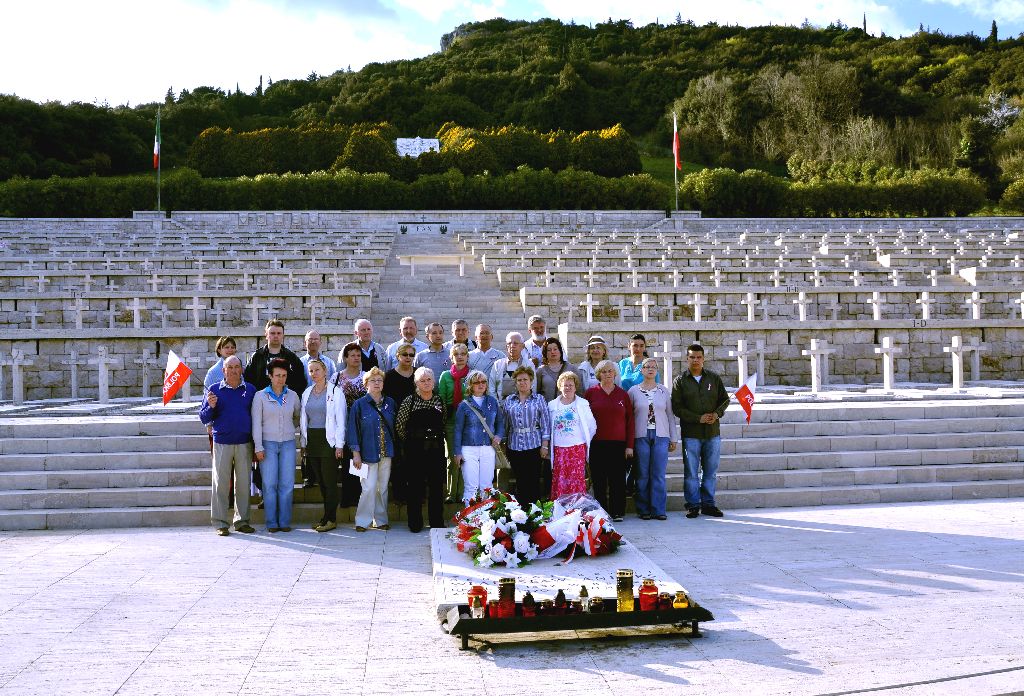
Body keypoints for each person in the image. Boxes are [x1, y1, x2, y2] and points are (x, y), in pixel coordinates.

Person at [198, 355, 257, 536]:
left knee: (243, 484)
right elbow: (204, 417)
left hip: (244, 442)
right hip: (222, 442)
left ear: (242, 369)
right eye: (229, 367)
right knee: (221, 484)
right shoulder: (214, 390)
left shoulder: (250, 390)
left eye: (236, 366)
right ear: (223, 370)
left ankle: (242, 521)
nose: (233, 370)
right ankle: (220, 522)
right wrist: (210, 406)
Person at [671, 344, 729, 519]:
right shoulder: (680, 381)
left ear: (703, 359)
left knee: (710, 472)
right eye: (692, 357)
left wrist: (717, 414)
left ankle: (709, 504)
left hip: (712, 433)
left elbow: (725, 400)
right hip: (691, 434)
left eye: (698, 357)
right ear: (687, 359)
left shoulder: (714, 378)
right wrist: (698, 418)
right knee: (691, 472)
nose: (695, 360)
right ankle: (693, 505)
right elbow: (677, 408)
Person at [251, 358, 301, 533]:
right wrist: (258, 446)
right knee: (269, 483)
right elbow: (256, 423)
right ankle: (271, 522)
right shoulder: (260, 396)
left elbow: (297, 417)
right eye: (277, 375)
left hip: (288, 444)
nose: (281, 379)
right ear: (270, 376)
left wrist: (288, 429)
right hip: (267, 444)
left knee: (287, 484)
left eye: (284, 375)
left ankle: (284, 521)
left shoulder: (293, 396)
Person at [396, 367, 447, 533]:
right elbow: (400, 425)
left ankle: (437, 522)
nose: (426, 383)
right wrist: (412, 441)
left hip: (435, 449)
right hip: (415, 450)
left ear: (434, 381)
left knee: (436, 487)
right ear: (416, 383)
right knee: (415, 487)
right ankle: (415, 523)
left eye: (429, 380)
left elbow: (444, 422)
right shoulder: (409, 401)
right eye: (422, 380)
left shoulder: (439, 400)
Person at [346, 367, 397, 532]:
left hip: (386, 452)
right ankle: (362, 521)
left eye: (379, 380)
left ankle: (381, 520)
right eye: (373, 380)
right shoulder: (359, 405)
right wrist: (356, 453)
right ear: (366, 384)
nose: (377, 383)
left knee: (382, 488)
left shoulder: (390, 403)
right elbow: (353, 430)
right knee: (368, 488)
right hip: (367, 453)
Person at [629, 358, 679, 521]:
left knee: (658, 473)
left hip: (661, 435)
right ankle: (643, 509)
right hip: (640, 436)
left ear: (657, 371)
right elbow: (629, 418)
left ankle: (658, 509)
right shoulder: (633, 391)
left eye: (653, 367)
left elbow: (669, 415)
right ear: (641, 370)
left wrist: (673, 437)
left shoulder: (663, 391)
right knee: (642, 474)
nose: (650, 369)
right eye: (647, 367)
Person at [300, 357, 346, 532]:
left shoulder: (336, 392)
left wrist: (339, 445)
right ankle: (326, 517)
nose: (314, 374)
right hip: (313, 440)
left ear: (325, 371)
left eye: (317, 370)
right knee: (320, 481)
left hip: (329, 441)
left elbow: (341, 420)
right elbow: (304, 419)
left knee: (329, 481)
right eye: (311, 371)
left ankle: (331, 519)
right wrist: (303, 442)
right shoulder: (307, 392)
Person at [585, 360, 634, 522]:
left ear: (615, 374)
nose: (607, 374)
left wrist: (629, 446)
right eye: (604, 371)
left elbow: (630, 421)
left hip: (618, 444)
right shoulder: (591, 393)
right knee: (599, 480)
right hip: (597, 443)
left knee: (617, 480)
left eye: (610, 371)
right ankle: (602, 513)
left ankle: (617, 511)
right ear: (599, 374)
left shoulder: (622, 394)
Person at [453, 370, 505, 504]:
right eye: (476, 382)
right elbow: (458, 430)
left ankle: (485, 515)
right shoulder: (463, 405)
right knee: (471, 486)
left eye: (483, 382)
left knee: (487, 486)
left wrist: (499, 436)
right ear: (470, 385)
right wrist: (457, 452)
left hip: (488, 448)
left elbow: (500, 422)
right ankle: (470, 516)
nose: (481, 385)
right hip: (468, 449)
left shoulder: (492, 402)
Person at [501, 366, 550, 508]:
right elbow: (505, 424)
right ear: (515, 383)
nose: (522, 382)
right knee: (520, 480)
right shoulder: (509, 400)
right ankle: (521, 512)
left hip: (534, 445)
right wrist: (504, 444)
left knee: (533, 480)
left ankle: (535, 511)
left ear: (531, 381)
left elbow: (545, 423)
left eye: (525, 380)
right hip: (514, 446)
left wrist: (545, 445)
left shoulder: (539, 399)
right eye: (519, 380)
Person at [547, 371, 596, 500]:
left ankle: (577, 507)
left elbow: (592, 426)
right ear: (560, 387)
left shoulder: (583, 404)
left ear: (575, 387)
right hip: (559, 449)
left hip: (577, 449)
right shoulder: (552, 405)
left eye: (570, 385)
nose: (568, 388)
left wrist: (583, 440)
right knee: (560, 479)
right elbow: (548, 427)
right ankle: (560, 507)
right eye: (565, 385)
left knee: (576, 479)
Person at [299, 329, 336, 488]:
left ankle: (326, 474)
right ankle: (308, 475)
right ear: (305, 343)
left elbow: (333, 383)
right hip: (308, 405)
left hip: (325, 405)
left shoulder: (329, 363)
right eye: (310, 339)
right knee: (306, 440)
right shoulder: (300, 363)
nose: (313, 342)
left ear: (320, 342)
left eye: (316, 339)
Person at [334, 341, 366, 508]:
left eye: (358, 355)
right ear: (345, 358)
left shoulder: (366, 376)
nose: (356, 358)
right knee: (347, 460)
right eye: (352, 355)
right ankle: (347, 497)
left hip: (362, 424)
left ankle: (359, 496)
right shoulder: (336, 377)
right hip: (343, 424)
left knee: (360, 460)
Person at [383, 344, 417, 504]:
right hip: (395, 423)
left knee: (415, 460)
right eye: (405, 354)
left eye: (411, 355)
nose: (408, 358)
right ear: (397, 356)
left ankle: (416, 494)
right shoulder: (389, 376)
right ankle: (399, 494)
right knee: (398, 460)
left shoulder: (418, 374)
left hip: (416, 424)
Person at [438, 343, 472, 503]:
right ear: (451, 357)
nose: (460, 357)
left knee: (467, 457)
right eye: (456, 354)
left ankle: (463, 492)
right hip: (451, 420)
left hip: (469, 422)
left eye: (463, 354)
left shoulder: (472, 375)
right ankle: (451, 493)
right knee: (453, 457)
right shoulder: (445, 376)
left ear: (467, 357)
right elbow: (442, 400)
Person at [244, 319, 306, 394]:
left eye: (279, 333)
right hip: (261, 398)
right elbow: (248, 380)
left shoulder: (291, 357)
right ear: (266, 335)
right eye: (272, 333)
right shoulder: (257, 356)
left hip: (284, 398)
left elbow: (300, 380)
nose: (276, 336)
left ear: (283, 335)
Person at [488, 331, 534, 401]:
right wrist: (497, 404)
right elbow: (491, 388)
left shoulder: (529, 365)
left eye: (515, 343)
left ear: (522, 346)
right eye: (509, 343)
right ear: (506, 346)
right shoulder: (498, 364)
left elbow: (533, 387)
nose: (512, 346)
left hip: (523, 405)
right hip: (501, 405)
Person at [535, 337, 584, 403]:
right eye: (549, 350)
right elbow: (537, 392)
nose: (552, 352)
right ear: (545, 353)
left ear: (560, 351)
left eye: (555, 349)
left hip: (568, 407)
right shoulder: (540, 371)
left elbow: (580, 391)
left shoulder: (572, 369)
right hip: (548, 407)